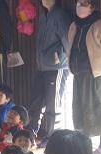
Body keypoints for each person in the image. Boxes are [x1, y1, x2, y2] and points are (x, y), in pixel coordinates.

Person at [67, 0, 101, 154]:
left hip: (97, 75)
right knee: (80, 109)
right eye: (78, 3)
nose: (79, 7)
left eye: (83, 4)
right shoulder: (74, 26)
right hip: (78, 74)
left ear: (92, 7)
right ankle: (84, 144)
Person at [28, 0, 71, 143]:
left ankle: (53, 138)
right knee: (36, 102)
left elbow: (67, 41)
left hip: (57, 67)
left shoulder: (60, 15)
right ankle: (31, 133)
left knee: (54, 105)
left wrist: (68, 62)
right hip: (42, 66)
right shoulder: (43, 15)